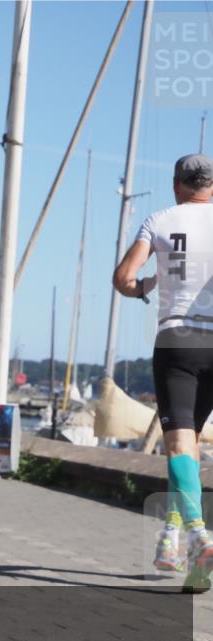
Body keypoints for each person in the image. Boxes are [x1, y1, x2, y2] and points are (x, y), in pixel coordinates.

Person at [113, 153, 213, 590]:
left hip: (177, 341)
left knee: (178, 445)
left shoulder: (159, 219)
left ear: (177, 185)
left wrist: (145, 287)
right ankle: (171, 542)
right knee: (188, 448)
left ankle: (197, 536)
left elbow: (123, 278)